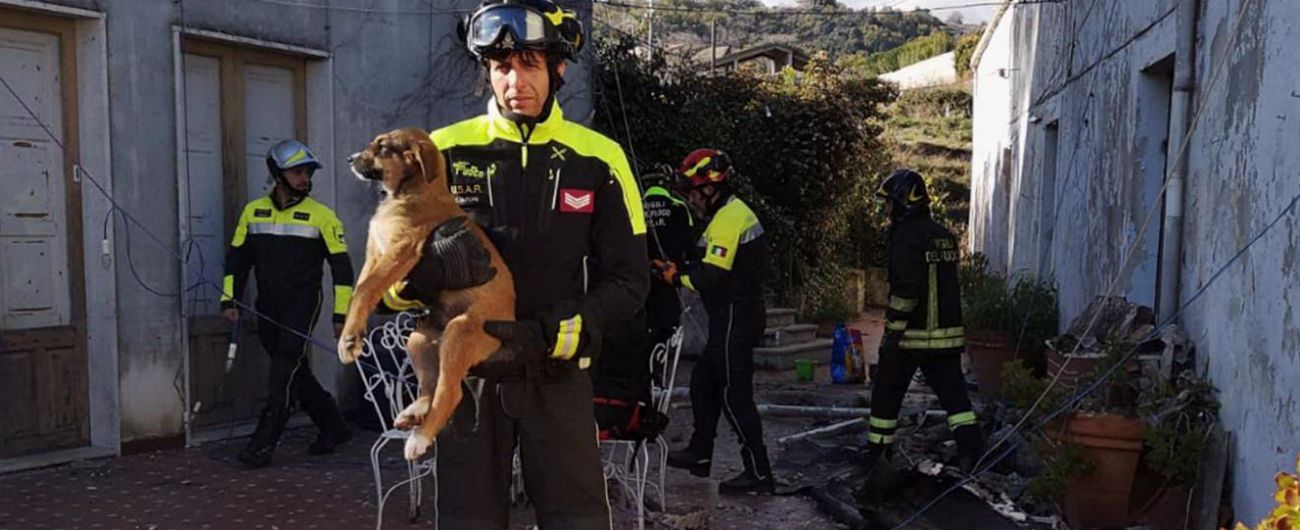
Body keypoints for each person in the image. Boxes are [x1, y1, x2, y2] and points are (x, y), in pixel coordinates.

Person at [384, 0, 650, 526]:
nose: (514, 82)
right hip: (467, 375)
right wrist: (418, 279)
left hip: (557, 372)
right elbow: (389, 280)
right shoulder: (442, 150)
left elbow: (629, 282)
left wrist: (556, 331)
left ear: (559, 67)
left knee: (578, 520)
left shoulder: (600, 159)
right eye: (502, 67)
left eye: (530, 65)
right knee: (468, 519)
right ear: (488, 70)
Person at [220, 139, 354, 468]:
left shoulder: (323, 217)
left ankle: (262, 444)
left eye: (307, 173)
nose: (305, 178)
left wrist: (341, 316)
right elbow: (237, 260)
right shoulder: (253, 212)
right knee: (294, 370)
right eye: (298, 172)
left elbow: (343, 271)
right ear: (278, 174)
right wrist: (229, 298)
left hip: (303, 304)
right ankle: (333, 427)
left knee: (282, 372)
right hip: (267, 305)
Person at [658, 148, 774, 495]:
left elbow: (711, 276)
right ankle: (700, 452)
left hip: (736, 317)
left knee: (734, 396)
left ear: (710, 188)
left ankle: (759, 472)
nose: (690, 200)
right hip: (733, 316)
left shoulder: (728, 218)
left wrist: (676, 278)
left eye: (692, 193)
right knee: (702, 384)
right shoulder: (726, 213)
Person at [865, 168, 983, 474]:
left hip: (911, 338)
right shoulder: (944, 237)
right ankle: (972, 455)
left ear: (904, 201)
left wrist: (892, 334)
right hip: (946, 339)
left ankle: (878, 458)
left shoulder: (905, 237)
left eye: (889, 203)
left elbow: (906, 289)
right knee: (957, 402)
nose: (887, 209)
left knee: (886, 400)